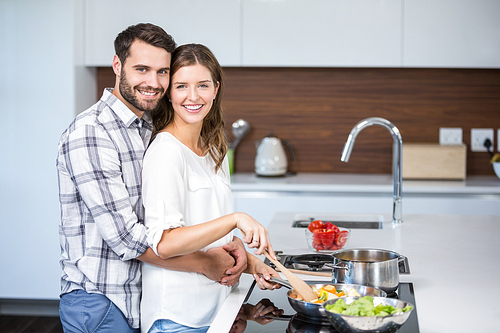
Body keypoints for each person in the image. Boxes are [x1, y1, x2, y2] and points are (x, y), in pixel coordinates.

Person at [57, 23, 248, 333]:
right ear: (117, 65)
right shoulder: (91, 133)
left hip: (136, 296)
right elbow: (126, 238)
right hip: (101, 299)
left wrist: (227, 245)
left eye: (162, 72)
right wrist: (207, 260)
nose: (153, 82)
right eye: (142, 69)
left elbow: (163, 218)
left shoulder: (143, 126)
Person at [141, 43, 280, 333]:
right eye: (181, 86)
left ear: (215, 89)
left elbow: (207, 229)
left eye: (202, 85)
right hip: (178, 319)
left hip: (217, 309)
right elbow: (164, 244)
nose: (193, 97)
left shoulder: (214, 147)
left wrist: (252, 262)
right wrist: (235, 219)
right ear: (168, 92)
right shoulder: (166, 152)